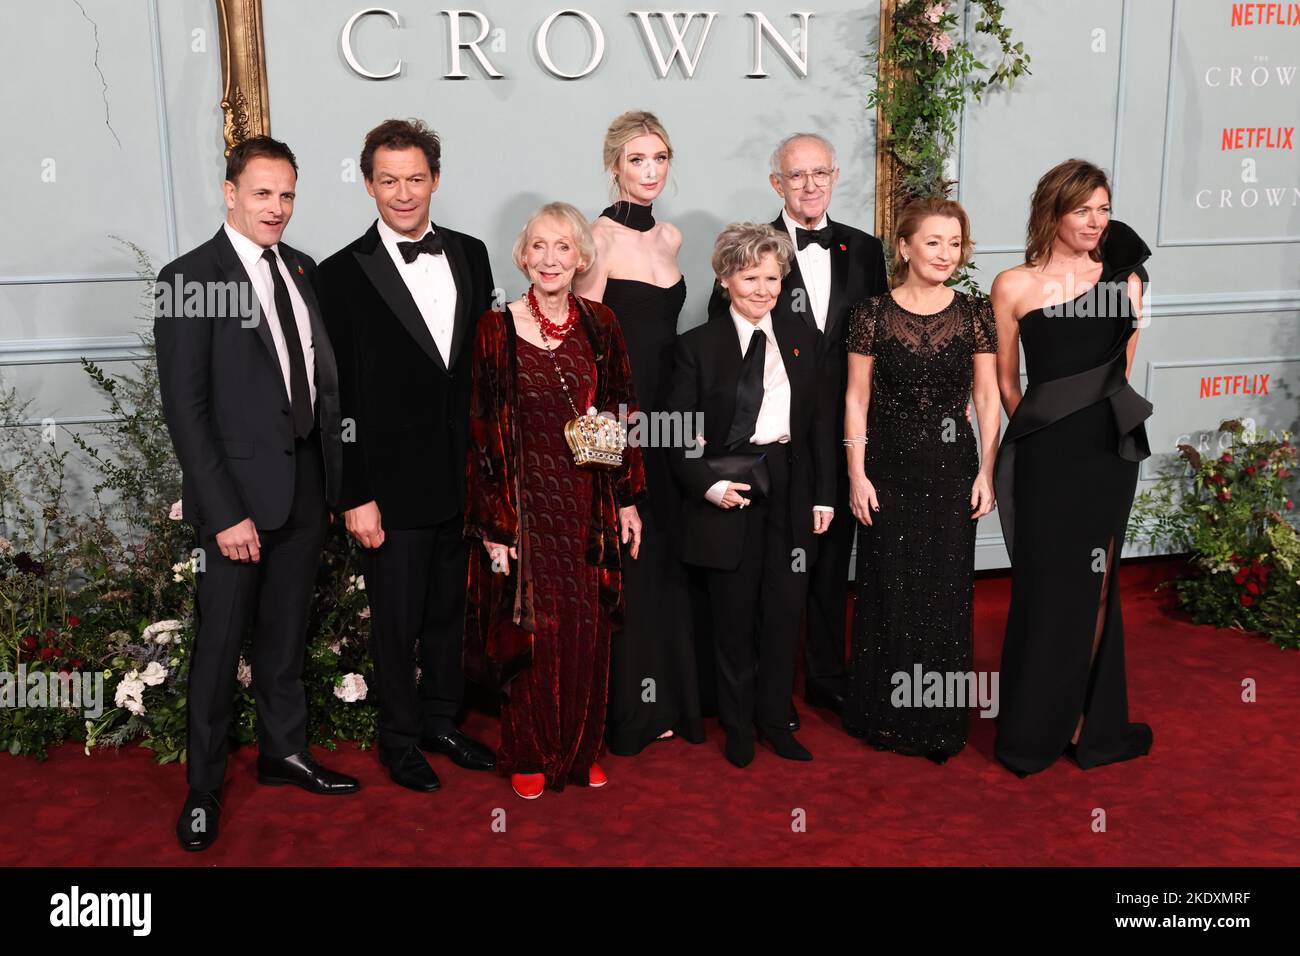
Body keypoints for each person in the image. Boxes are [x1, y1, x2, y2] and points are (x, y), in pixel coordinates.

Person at [155, 136, 359, 852]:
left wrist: (336, 482)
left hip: (305, 487)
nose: (276, 208)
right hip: (236, 501)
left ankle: (285, 752)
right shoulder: (190, 277)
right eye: (263, 193)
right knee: (217, 646)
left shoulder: (300, 269)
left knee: (283, 636)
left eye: (287, 195)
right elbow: (187, 411)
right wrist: (224, 511)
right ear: (230, 192)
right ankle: (203, 787)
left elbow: (320, 383)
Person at [317, 119, 496, 793]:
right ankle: (398, 740)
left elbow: (479, 370)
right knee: (395, 623)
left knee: (451, 612)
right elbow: (336, 400)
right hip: (387, 488)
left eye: (415, 178)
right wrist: (352, 494)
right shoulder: (338, 275)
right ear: (368, 184)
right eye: (388, 180)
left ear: (435, 180)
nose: (402, 192)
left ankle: (442, 721)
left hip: (463, 478)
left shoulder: (473, 256)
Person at [464, 202, 646, 800]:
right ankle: (530, 751)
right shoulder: (495, 328)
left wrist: (626, 501)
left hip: (588, 505)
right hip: (526, 508)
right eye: (539, 247)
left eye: (563, 248)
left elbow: (623, 414)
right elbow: (484, 429)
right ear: (523, 255)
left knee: (587, 629)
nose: (550, 259)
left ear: (581, 258)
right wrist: (495, 525)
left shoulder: (602, 324)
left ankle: (582, 749)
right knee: (533, 630)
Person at [708, 133, 888, 728]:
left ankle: (827, 677)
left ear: (835, 176)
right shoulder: (747, 251)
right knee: (771, 566)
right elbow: (726, 348)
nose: (810, 185)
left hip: (848, 427)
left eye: (820, 173)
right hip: (777, 438)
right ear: (775, 183)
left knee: (834, 560)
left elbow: (878, 338)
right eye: (797, 175)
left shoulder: (865, 249)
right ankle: (764, 687)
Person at [990, 158, 1154, 776]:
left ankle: (1089, 721)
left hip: (1108, 451)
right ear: (1053, 212)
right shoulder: (1015, 284)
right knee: (1043, 586)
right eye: (1082, 209)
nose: (1095, 221)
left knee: (1099, 584)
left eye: (1104, 208)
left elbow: (1122, 370)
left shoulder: (1127, 281)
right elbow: (1008, 383)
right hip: (1044, 454)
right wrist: (1039, 432)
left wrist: (1082, 428)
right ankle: (1036, 727)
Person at [668, 222, 835, 768]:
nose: (762, 289)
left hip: (789, 481)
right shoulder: (696, 347)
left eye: (771, 277)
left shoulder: (801, 338)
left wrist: (823, 496)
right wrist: (710, 486)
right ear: (724, 279)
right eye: (748, 277)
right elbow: (674, 429)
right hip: (727, 481)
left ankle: (775, 719)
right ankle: (738, 726)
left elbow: (818, 425)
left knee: (786, 611)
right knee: (733, 616)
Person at [841, 197, 999, 763]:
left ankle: (937, 721)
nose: (945, 254)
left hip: (952, 470)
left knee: (946, 593)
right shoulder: (871, 314)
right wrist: (856, 473)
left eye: (955, 244)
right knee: (888, 589)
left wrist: (987, 470)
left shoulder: (976, 311)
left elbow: (986, 397)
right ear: (904, 247)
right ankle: (884, 716)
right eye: (933, 242)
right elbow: (856, 398)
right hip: (886, 467)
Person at [574, 110, 704, 754]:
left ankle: (669, 701)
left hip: (669, 419)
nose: (650, 172)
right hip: (619, 422)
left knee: (664, 560)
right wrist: (602, 457)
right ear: (614, 167)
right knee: (624, 558)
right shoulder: (596, 238)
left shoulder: (672, 238)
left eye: (659, 159)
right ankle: (623, 714)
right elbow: (586, 351)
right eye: (637, 161)